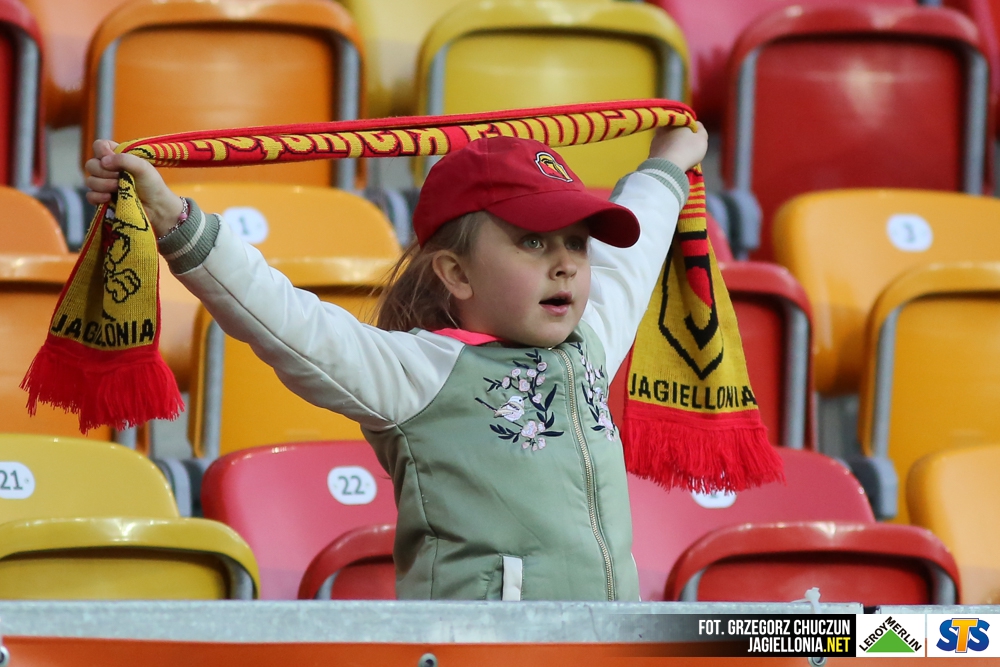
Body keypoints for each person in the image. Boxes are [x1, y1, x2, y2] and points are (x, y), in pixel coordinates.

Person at [85, 124, 708, 601]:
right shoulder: (421, 373)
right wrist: (172, 219)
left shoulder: (591, 341)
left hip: (601, 649)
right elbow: (289, 321)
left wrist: (669, 163)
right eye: (533, 241)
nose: (567, 264)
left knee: (766, 645)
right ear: (456, 273)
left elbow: (635, 256)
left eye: (576, 242)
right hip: (473, 655)